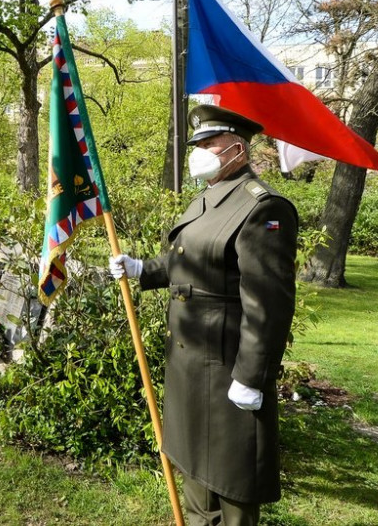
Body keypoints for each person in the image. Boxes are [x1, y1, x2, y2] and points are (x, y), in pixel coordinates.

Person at [109, 105, 298, 526]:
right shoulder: (207, 200)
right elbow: (192, 261)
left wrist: (251, 377)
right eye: (197, 144)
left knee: (231, 477)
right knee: (194, 464)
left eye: (209, 144)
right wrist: (145, 268)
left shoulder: (262, 207)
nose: (199, 151)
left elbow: (268, 304)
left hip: (226, 364)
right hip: (191, 361)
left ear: (237, 149)